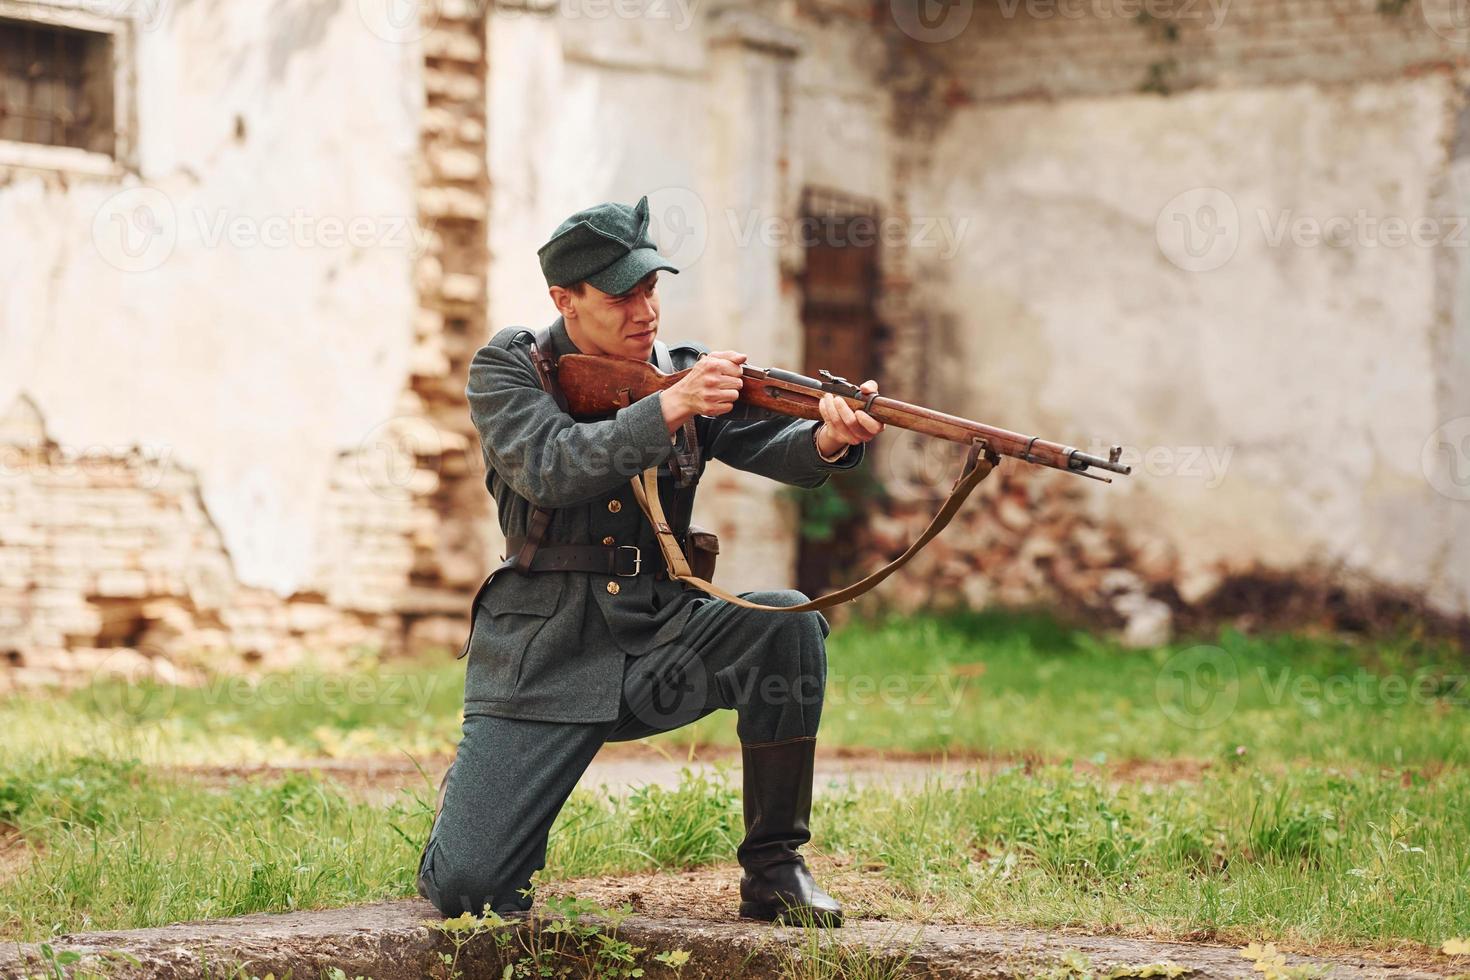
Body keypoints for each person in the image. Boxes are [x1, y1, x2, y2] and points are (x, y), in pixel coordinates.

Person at [416, 195, 883, 928]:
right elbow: (550, 465)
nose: (646, 312)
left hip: (660, 643)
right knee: (468, 893)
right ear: (564, 300)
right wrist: (669, 409)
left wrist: (829, 438)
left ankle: (775, 869)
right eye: (621, 296)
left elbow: (775, 448)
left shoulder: (682, 373)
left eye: (651, 289)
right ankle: (468, 808)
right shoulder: (509, 368)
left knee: (786, 622)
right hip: (543, 659)